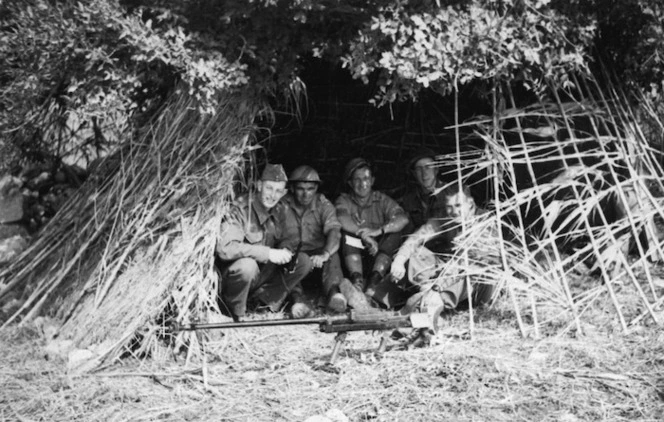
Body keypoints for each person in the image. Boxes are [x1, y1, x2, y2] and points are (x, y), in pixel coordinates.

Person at [215, 164, 312, 321]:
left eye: (278, 191)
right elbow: (225, 249)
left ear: (285, 193)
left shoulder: (280, 209)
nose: (273, 195)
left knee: (303, 262)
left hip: (261, 275)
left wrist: (285, 251)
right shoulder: (241, 209)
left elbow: (284, 238)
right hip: (235, 277)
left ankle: (263, 303)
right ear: (259, 186)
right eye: (269, 188)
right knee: (247, 266)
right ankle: (234, 312)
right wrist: (268, 253)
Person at [387, 183, 497, 314]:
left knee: (471, 272)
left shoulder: (484, 221)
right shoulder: (447, 217)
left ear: (470, 203)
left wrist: (437, 287)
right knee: (417, 253)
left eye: (458, 206)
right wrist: (399, 259)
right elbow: (418, 237)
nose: (454, 211)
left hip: (477, 279)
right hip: (451, 272)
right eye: (449, 207)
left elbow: (465, 263)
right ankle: (384, 298)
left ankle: (434, 302)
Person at [279, 165, 348, 317]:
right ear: (291, 188)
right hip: (294, 259)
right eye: (300, 189)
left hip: (317, 259)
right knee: (287, 260)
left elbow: (334, 231)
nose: (305, 194)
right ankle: (297, 301)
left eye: (310, 188)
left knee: (333, 256)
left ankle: (334, 295)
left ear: (316, 188)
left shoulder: (323, 204)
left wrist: (325, 254)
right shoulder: (282, 205)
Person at [335, 158, 409, 298]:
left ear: (372, 181)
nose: (362, 184)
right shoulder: (343, 200)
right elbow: (342, 219)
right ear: (350, 183)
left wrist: (379, 231)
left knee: (395, 234)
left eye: (366, 178)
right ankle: (357, 282)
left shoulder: (381, 199)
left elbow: (402, 219)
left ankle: (374, 282)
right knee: (346, 235)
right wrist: (365, 236)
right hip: (354, 257)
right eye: (357, 179)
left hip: (378, 256)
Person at [399, 147, 448, 235]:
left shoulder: (452, 193)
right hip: (419, 246)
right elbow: (407, 231)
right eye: (419, 169)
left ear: (436, 170)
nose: (424, 173)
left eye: (428, 167)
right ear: (414, 174)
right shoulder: (409, 200)